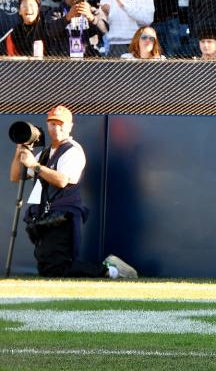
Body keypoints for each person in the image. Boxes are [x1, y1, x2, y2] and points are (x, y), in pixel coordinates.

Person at [10, 105, 137, 278]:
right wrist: (20, 150)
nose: (56, 128)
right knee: (48, 268)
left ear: (70, 126)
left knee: (57, 269)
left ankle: (112, 271)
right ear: (47, 125)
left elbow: (63, 180)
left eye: (61, 124)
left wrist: (34, 165)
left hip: (64, 216)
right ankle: (110, 270)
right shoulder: (45, 153)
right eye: (53, 123)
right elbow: (16, 175)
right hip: (45, 216)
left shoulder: (73, 151)